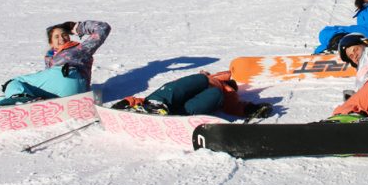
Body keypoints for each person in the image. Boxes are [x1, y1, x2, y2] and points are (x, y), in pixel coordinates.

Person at [0, 20, 111, 106]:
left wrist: (77, 27)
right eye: (56, 36)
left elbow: (103, 28)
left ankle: (17, 99)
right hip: (65, 92)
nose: (62, 38)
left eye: (64, 34)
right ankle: (24, 101)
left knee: (15, 82)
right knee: (21, 86)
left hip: (71, 77)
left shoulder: (81, 48)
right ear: (51, 43)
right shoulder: (49, 58)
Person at [112, 70, 272, 119]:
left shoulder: (226, 91)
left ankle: (168, 114)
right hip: (163, 102)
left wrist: (250, 109)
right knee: (200, 80)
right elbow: (172, 90)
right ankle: (154, 105)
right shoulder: (204, 78)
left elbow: (233, 106)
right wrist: (129, 101)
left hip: (181, 111)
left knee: (216, 94)